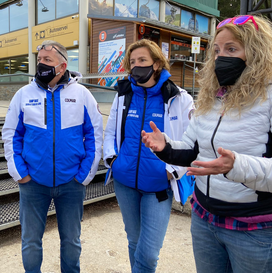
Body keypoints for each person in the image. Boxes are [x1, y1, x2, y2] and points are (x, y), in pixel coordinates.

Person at [142, 15, 272, 273]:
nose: (220, 57)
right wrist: (165, 146)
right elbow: (193, 150)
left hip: (254, 231)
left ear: (257, 52)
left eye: (231, 49)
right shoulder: (211, 98)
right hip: (204, 220)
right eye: (216, 50)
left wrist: (236, 166)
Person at [2, 40, 103, 273]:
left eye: (47, 60)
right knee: (30, 241)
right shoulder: (23, 95)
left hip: (71, 183)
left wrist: (84, 175)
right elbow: (11, 135)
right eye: (39, 60)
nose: (41, 64)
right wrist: (19, 172)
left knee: (71, 241)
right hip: (33, 183)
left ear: (62, 65)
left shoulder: (82, 95)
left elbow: (95, 134)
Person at [103, 39, 194, 273]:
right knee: (134, 241)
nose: (136, 66)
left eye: (142, 60)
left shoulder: (178, 98)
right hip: (126, 183)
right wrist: (114, 161)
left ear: (156, 63)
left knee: (149, 252)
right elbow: (111, 131)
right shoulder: (123, 95)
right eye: (132, 62)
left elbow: (191, 143)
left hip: (157, 187)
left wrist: (171, 171)